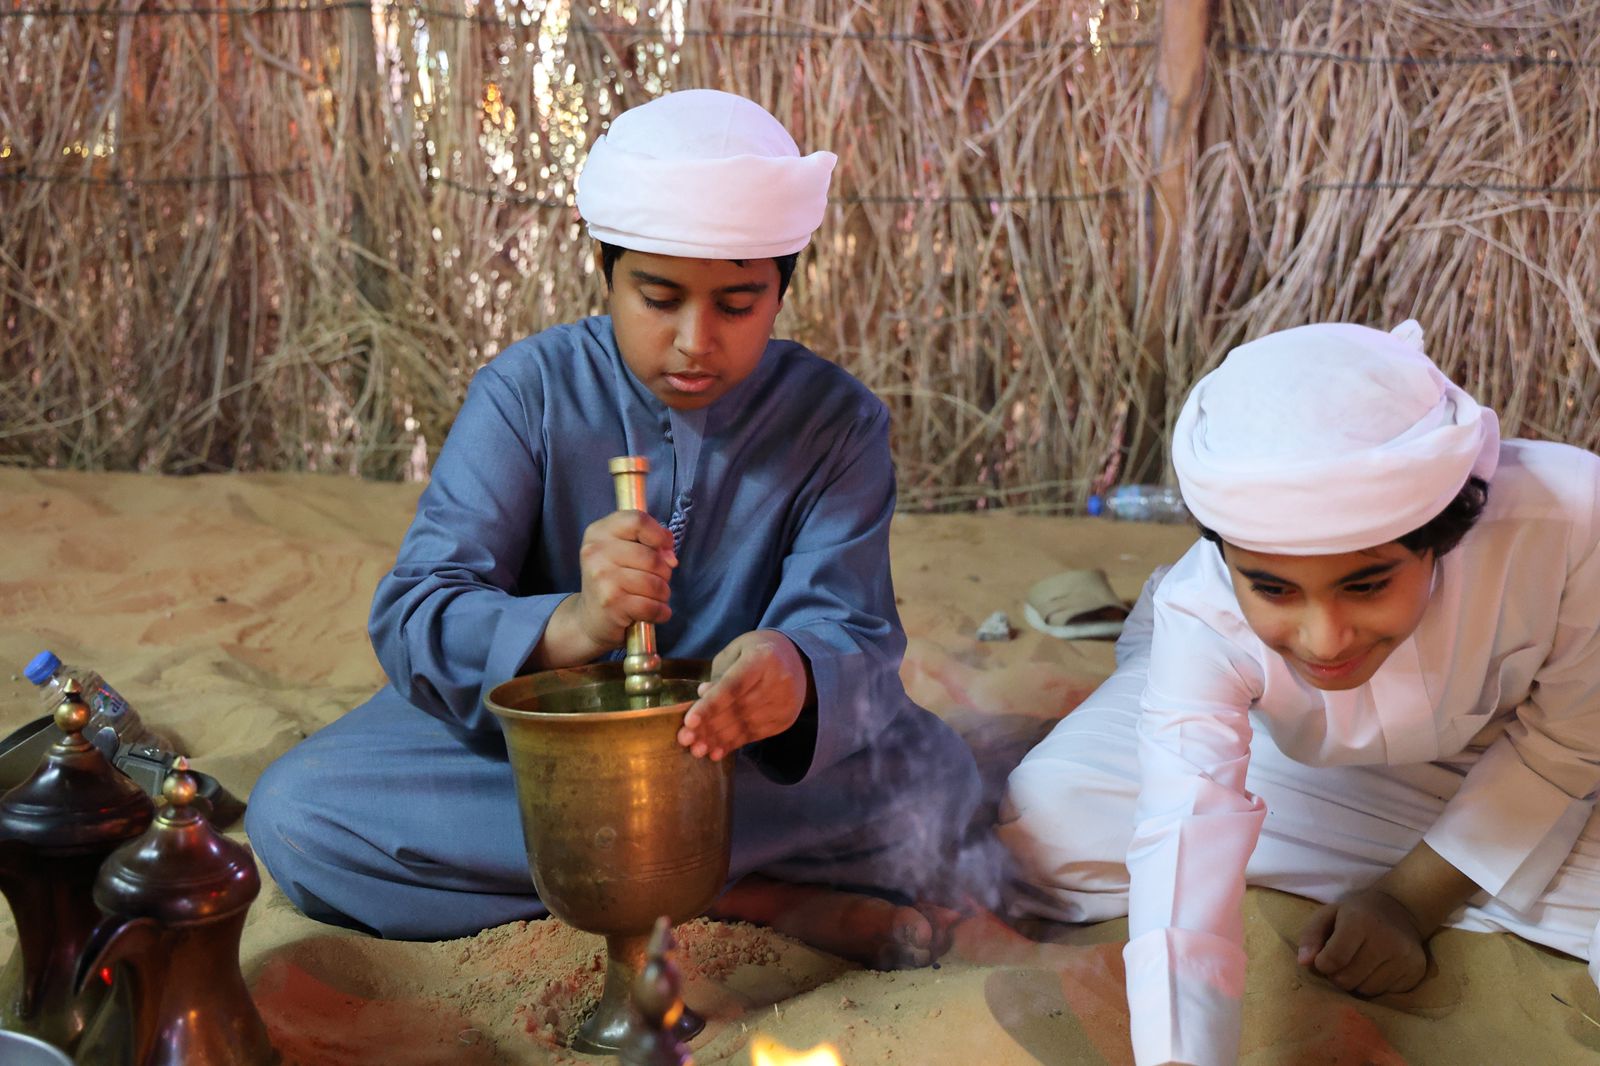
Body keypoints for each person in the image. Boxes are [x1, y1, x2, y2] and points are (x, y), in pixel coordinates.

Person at [245, 89, 983, 970]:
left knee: (940, 786)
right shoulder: (528, 393)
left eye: (737, 305)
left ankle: (653, 881)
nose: (694, 341)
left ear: (782, 288)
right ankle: (746, 895)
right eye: (659, 297)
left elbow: (852, 628)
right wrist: (573, 623)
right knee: (303, 815)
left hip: (728, 757)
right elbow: (416, 614)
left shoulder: (835, 421)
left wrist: (792, 673)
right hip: (543, 759)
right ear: (606, 271)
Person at [998, 320, 1600, 1065]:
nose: (1325, 640)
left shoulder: (1571, 525)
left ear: (1443, 535)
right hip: (1289, 762)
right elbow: (1187, 825)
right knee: (1048, 823)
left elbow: (1568, 744)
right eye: (1274, 589)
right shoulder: (1205, 610)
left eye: (1367, 585)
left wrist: (1411, 900)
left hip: (1505, 764)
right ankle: (1150, 671)